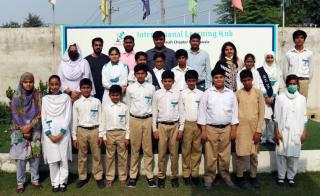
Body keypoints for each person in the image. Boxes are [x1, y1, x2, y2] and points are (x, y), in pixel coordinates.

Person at [198, 67, 238, 189]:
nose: (219, 79)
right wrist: (203, 131)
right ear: (213, 79)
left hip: (226, 128)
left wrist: (233, 129)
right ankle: (209, 178)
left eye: (221, 77)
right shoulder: (207, 93)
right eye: (216, 77)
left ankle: (226, 176)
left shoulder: (230, 93)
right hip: (211, 128)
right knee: (211, 156)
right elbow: (202, 113)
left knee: (225, 155)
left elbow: (234, 113)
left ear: (224, 78)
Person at [10, 72, 42, 193]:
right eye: (26, 82)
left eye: (31, 81)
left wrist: (30, 126)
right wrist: (23, 128)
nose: (28, 84)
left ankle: (35, 179)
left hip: (35, 128)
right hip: (19, 130)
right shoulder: (16, 95)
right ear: (21, 82)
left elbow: (40, 112)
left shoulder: (37, 94)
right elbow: (15, 113)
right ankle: (20, 182)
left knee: (35, 156)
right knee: (20, 158)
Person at [152, 70, 184, 188]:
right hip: (161, 126)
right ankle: (161, 177)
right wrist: (154, 129)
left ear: (173, 81)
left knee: (174, 153)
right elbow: (154, 112)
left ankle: (174, 177)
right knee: (161, 153)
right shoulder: (157, 94)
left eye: (169, 81)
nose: (167, 83)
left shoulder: (177, 93)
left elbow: (181, 111)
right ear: (162, 82)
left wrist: (181, 128)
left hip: (175, 126)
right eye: (165, 81)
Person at [126, 64, 156, 188]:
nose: (140, 75)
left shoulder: (152, 88)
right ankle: (133, 176)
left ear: (146, 74)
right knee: (135, 149)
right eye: (138, 73)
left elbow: (154, 107)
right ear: (135, 75)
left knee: (148, 149)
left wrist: (154, 126)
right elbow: (128, 107)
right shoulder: (130, 88)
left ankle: (149, 175)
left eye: (142, 73)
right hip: (134, 120)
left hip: (148, 119)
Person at [274, 74, 307, 187]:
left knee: (294, 155)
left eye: (294, 84)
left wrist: (304, 132)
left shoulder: (302, 99)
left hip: (297, 131)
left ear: (297, 85)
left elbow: (304, 117)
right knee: (281, 154)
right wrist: (276, 132)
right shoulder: (280, 98)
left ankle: (291, 177)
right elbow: (276, 117)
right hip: (283, 130)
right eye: (290, 84)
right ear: (287, 85)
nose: (292, 86)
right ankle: (281, 177)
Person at [72, 78, 105, 189]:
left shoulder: (96, 101)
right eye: (83, 88)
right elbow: (74, 120)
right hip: (81, 130)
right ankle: (82, 178)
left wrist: (101, 134)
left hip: (95, 130)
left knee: (97, 155)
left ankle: (99, 177)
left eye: (88, 88)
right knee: (82, 156)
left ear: (91, 89)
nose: (86, 90)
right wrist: (74, 137)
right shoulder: (77, 103)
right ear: (80, 89)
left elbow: (101, 118)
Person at [41, 75, 72, 193]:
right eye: (52, 84)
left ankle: (63, 182)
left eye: (56, 84)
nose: (54, 87)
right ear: (49, 85)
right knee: (53, 159)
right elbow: (44, 118)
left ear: (60, 85)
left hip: (63, 132)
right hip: (49, 133)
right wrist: (49, 134)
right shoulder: (45, 99)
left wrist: (61, 133)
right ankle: (55, 182)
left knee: (63, 158)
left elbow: (68, 116)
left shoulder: (66, 98)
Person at [235, 69, 265, 189]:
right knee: (240, 154)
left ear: (252, 79)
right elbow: (234, 113)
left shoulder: (258, 93)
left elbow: (262, 113)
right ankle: (239, 177)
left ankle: (253, 176)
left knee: (254, 154)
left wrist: (258, 130)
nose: (247, 82)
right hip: (241, 129)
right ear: (241, 81)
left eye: (249, 80)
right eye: (244, 80)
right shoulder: (237, 94)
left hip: (254, 129)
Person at [100, 85, 130, 188]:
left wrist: (127, 137)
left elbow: (128, 124)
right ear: (109, 95)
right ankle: (109, 178)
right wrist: (104, 136)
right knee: (110, 157)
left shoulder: (125, 107)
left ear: (121, 95)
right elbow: (102, 122)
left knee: (123, 157)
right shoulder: (106, 108)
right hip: (109, 134)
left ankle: (123, 178)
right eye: (113, 95)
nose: (115, 97)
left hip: (122, 133)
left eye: (117, 95)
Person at [181, 70, 203, 186]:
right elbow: (181, 111)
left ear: (196, 81)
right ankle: (186, 174)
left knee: (197, 150)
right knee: (186, 150)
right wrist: (181, 127)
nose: (191, 83)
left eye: (193, 80)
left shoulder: (201, 94)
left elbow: (203, 111)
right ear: (186, 81)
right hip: (187, 124)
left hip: (198, 124)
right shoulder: (182, 94)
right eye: (189, 81)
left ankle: (195, 174)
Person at [258, 51, 282, 144]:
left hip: (274, 96)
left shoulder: (277, 69)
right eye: (268, 57)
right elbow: (260, 83)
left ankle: (270, 137)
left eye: (271, 57)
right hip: (264, 97)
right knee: (264, 117)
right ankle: (263, 137)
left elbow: (277, 82)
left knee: (272, 117)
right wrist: (266, 95)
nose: (270, 59)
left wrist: (273, 95)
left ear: (274, 58)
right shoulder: (260, 70)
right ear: (265, 58)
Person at [284, 30, 313, 98]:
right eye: (297, 38)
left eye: (301, 38)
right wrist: (288, 82)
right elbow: (285, 70)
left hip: (304, 81)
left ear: (304, 40)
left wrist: (306, 81)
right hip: (292, 82)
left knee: (302, 101)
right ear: (294, 40)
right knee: (291, 101)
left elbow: (311, 70)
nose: (299, 40)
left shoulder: (309, 53)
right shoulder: (289, 53)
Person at [85, 37, 110, 101]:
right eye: (96, 45)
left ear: (102, 46)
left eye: (100, 45)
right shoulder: (86, 60)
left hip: (105, 91)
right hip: (91, 90)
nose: (98, 47)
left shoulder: (107, 58)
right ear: (92, 46)